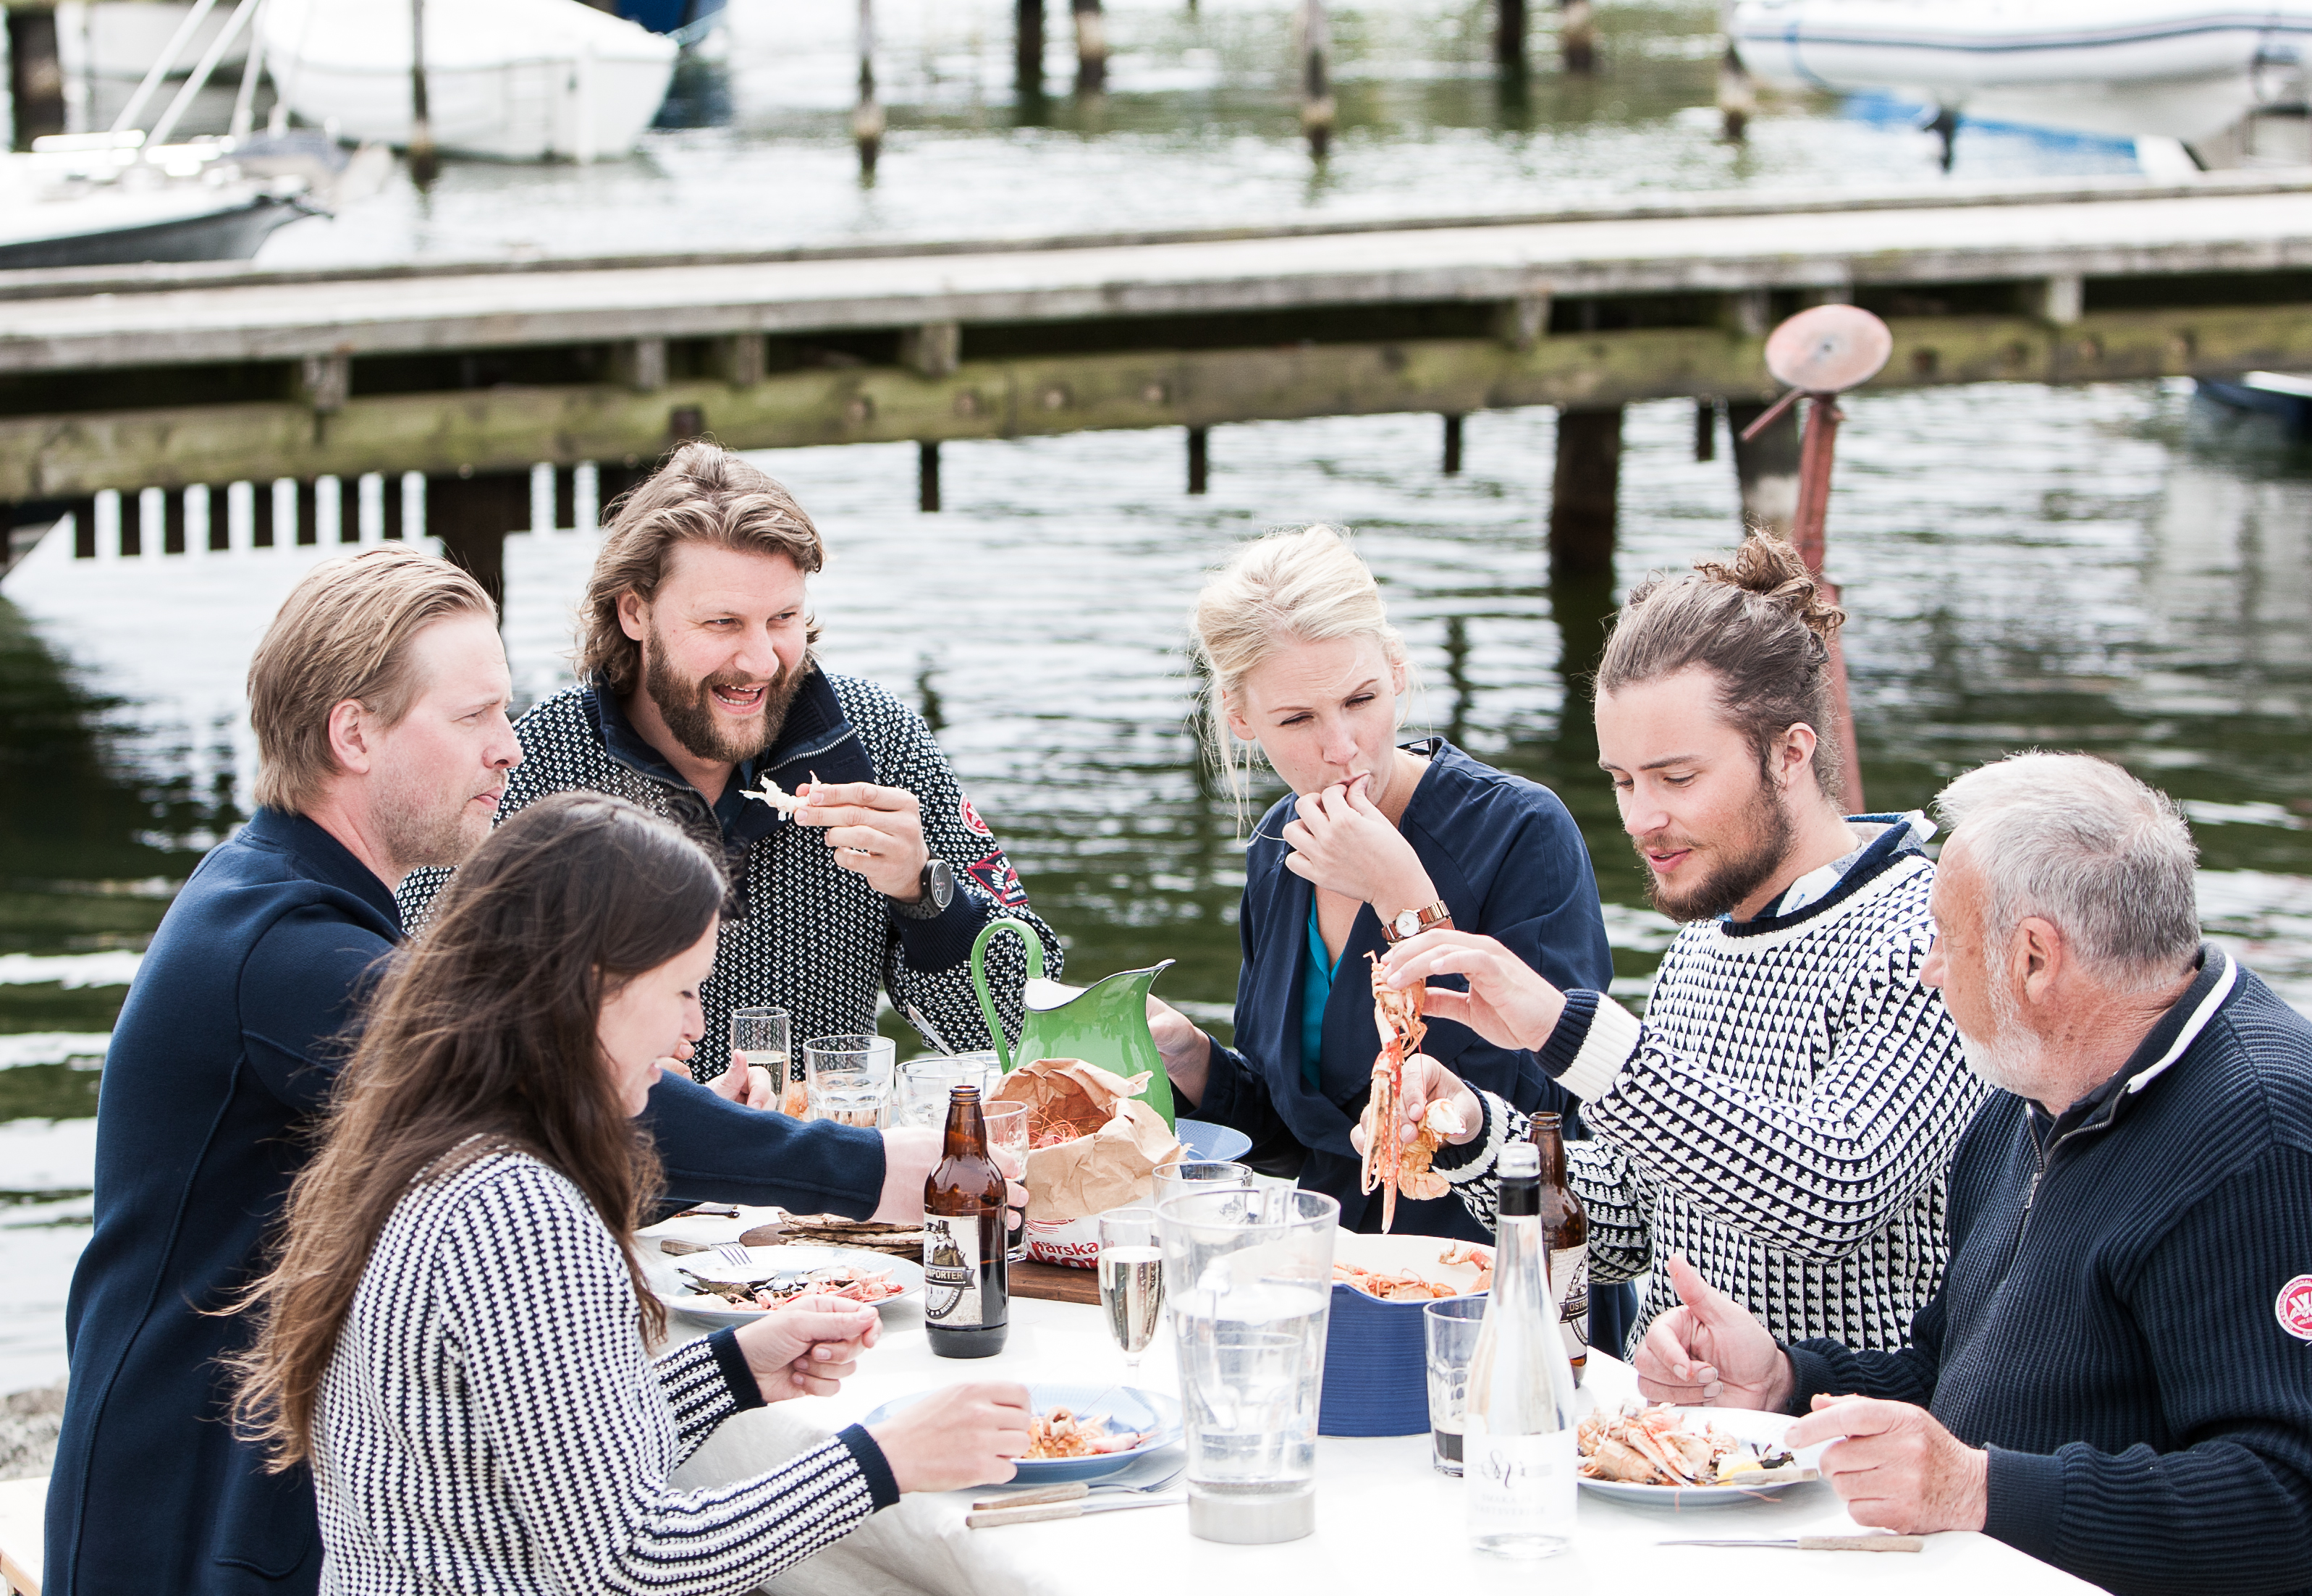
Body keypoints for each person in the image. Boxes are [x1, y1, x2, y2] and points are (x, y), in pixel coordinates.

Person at [46, 547, 941, 1596]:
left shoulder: (280, 891)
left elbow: (537, 1124)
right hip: (188, 1513)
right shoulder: (281, 949)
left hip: (266, 1472)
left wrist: (736, 1353)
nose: (510, 750)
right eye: (474, 717)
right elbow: (533, 1086)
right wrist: (880, 1168)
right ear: (355, 733)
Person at [227, 792, 1032, 1593]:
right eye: (683, 990)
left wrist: (731, 1372)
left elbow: (539, 1450)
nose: (695, 1027)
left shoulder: (427, 1143)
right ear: (591, 987)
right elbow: (633, 1556)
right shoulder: (518, 1210)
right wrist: (885, 1458)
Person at [1632, 753, 2312, 1596]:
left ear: (2033, 959)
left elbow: (2287, 1502)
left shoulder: (2265, 1143)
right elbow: (1953, 1377)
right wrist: (1785, 1377)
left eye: (1945, 942)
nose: (1928, 972)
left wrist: (1977, 1489)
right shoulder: (2023, 1098)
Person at [1363, 533, 1983, 1351]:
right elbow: (1627, 1221)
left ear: (1790, 752)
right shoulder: (1702, 942)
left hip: (1841, 1448)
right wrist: (1476, 1132)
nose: (1639, 820)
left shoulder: (1925, 939)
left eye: (1675, 778)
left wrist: (1565, 1029)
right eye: (1622, 781)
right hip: (1675, 1446)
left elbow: (1830, 1191)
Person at [399, 440, 1061, 1076]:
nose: (761, 661)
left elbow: (1028, 1032)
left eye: (782, 619)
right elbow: (410, 1022)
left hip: (821, 1180)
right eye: (722, 623)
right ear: (635, 611)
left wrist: (928, 895)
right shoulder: (528, 767)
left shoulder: (879, 743)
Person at [1148, 525, 1619, 1249]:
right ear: (1242, 720)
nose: (1340, 748)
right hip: (1332, 1268)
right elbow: (1302, 1136)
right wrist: (1190, 1059)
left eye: (1360, 699)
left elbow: (1546, 1117)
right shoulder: (1278, 848)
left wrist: (1399, 892)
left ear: (1396, 669)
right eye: (1296, 718)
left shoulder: (1524, 832)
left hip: (1506, 1271)